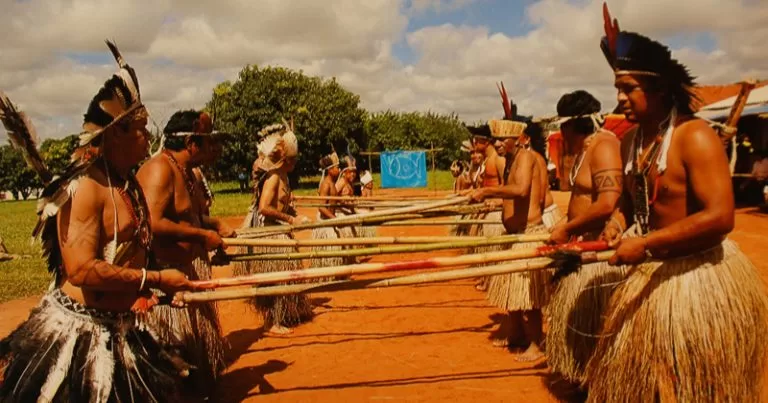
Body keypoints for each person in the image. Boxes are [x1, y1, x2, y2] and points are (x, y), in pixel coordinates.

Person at [0, 41, 202, 401]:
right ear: (114, 134)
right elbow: (81, 270)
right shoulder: (88, 188)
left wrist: (152, 292)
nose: (147, 136)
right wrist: (153, 278)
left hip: (121, 328)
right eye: (138, 127)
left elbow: (128, 252)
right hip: (78, 335)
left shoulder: (127, 183)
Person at [584, 5, 768, 402]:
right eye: (617, 88)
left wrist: (646, 243)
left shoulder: (694, 136)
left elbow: (721, 217)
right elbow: (632, 205)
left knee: (693, 388)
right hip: (652, 276)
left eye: (629, 88)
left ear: (660, 89)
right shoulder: (631, 141)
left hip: (697, 278)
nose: (619, 98)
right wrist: (617, 224)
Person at [136, 109, 234, 391]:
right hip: (164, 279)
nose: (212, 148)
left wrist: (212, 224)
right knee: (173, 361)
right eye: (207, 141)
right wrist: (201, 234)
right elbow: (152, 223)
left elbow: (183, 218)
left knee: (192, 363)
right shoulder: (160, 168)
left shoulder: (184, 171)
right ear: (192, 143)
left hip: (183, 273)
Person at [544, 90, 624, 384]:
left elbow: (607, 203)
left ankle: (597, 382)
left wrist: (568, 228)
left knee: (598, 325)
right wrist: (566, 225)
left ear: (569, 126)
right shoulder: (585, 150)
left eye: (561, 127)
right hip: (580, 245)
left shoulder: (604, 146)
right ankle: (584, 377)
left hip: (598, 252)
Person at [470, 120, 550, 361]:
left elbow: (522, 190)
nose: (498, 144)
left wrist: (488, 192)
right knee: (513, 292)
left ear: (517, 139)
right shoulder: (513, 160)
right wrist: (495, 202)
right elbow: (514, 195)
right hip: (515, 234)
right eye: (495, 140)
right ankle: (516, 333)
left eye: (502, 140)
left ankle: (536, 342)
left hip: (528, 233)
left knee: (529, 295)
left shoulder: (525, 157)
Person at [234, 121, 313, 335]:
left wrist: (296, 216)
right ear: (286, 159)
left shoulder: (285, 176)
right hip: (270, 233)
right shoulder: (274, 177)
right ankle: (272, 322)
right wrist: (289, 220)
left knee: (286, 276)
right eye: (295, 158)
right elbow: (264, 208)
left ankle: (286, 313)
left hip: (281, 232)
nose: (297, 161)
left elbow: (284, 204)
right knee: (274, 280)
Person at [467, 125, 506, 292]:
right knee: (482, 246)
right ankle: (485, 276)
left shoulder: (498, 160)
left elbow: (507, 186)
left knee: (491, 248)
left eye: (477, 140)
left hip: (496, 211)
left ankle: (491, 280)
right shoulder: (486, 161)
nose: (474, 143)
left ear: (487, 141)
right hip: (486, 209)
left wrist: (497, 201)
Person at [309, 150, 356, 276]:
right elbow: (321, 207)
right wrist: (334, 218)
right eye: (337, 167)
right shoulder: (326, 185)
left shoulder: (332, 184)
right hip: (326, 223)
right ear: (330, 170)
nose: (339, 169)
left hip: (331, 221)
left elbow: (335, 202)